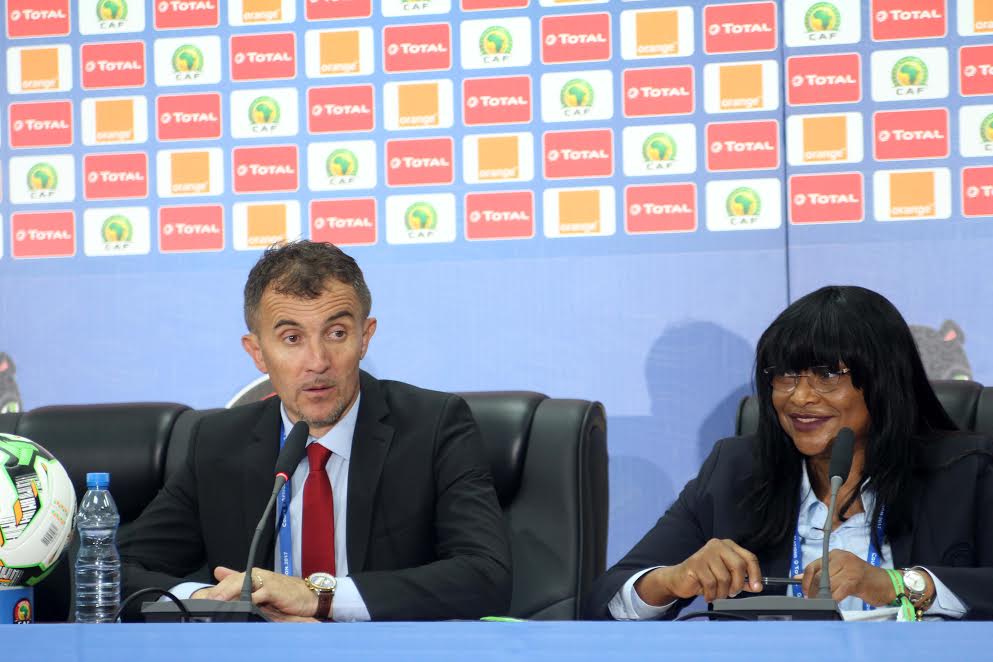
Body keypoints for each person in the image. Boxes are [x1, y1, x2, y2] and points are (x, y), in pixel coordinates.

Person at [119, 240, 511, 622]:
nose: (318, 361)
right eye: (292, 339)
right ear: (257, 352)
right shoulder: (218, 444)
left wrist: (318, 597)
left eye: (337, 333)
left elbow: (485, 575)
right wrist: (212, 600)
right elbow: (115, 571)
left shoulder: (434, 427)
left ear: (365, 337)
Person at [586, 285, 993, 621]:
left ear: (884, 381)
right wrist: (672, 580)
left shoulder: (966, 473)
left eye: (827, 375)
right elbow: (602, 602)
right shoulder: (736, 471)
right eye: (785, 375)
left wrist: (899, 585)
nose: (799, 397)